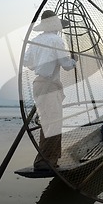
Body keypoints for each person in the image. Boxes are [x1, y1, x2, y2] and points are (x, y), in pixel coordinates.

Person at [24, 10, 76, 171]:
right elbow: (66, 65)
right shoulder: (56, 41)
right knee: (53, 123)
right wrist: (74, 60)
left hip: (38, 85)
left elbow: (27, 62)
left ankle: (48, 159)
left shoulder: (36, 41)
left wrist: (41, 63)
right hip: (50, 85)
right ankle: (46, 161)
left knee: (47, 122)